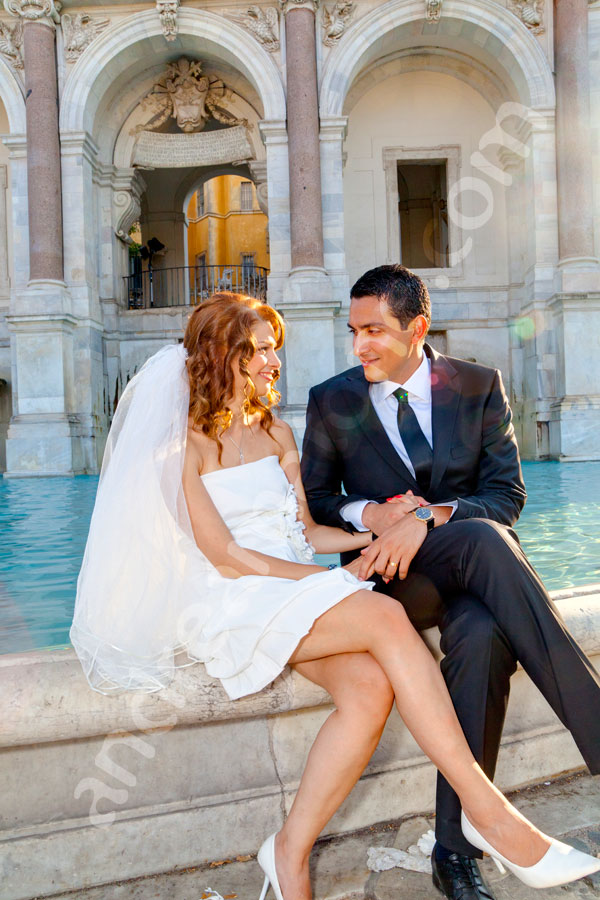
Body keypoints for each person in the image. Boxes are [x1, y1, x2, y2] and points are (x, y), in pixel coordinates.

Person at [70, 292, 600, 900]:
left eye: (274, 348)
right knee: (380, 614)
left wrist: (378, 529)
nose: (275, 362)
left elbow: (307, 530)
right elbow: (226, 556)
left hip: (294, 588)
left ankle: (288, 851)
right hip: (233, 596)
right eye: (260, 350)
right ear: (222, 356)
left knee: (371, 687)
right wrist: (333, 579)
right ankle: (493, 816)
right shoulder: (178, 444)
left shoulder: (275, 429)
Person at [301, 264, 600, 900]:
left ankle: (455, 849)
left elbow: (506, 494)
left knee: (482, 630)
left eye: (375, 331)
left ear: (418, 327)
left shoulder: (478, 385)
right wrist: (376, 514)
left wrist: (432, 518)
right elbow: (319, 501)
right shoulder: (333, 399)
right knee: (487, 541)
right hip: (395, 583)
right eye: (353, 331)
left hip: (472, 578)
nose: (361, 346)